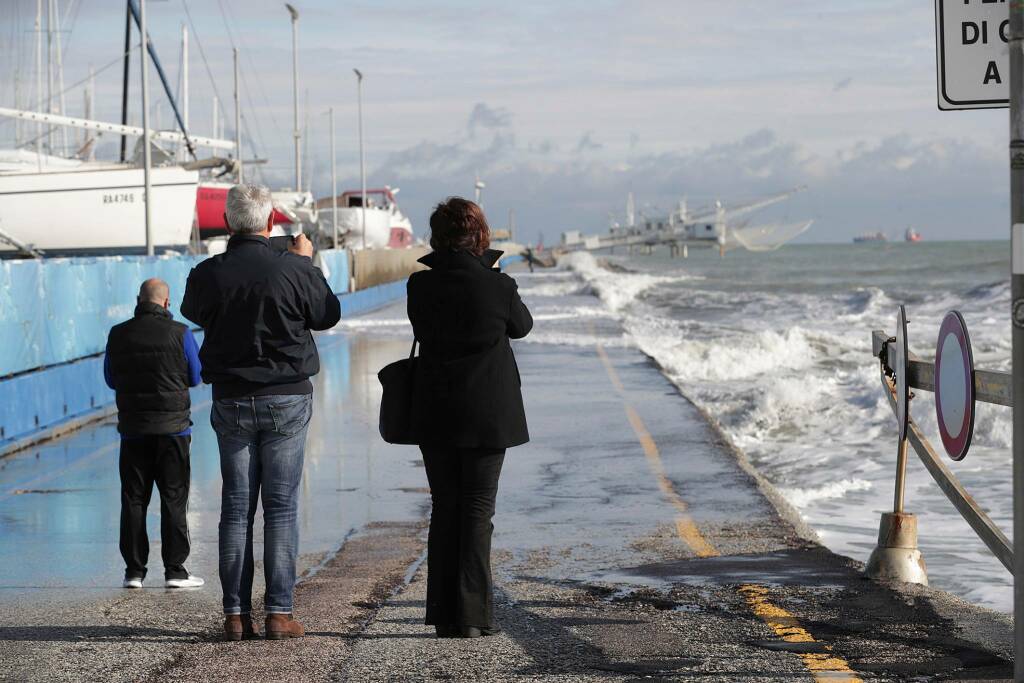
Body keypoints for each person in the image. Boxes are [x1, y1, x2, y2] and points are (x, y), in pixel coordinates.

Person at [181, 184, 341, 642]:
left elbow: (194, 310)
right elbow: (327, 314)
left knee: (235, 509)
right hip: (286, 397)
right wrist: (306, 264)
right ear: (271, 222)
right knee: (281, 508)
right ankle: (278, 613)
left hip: (231, 398)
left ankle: (235, 616)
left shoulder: (208, 272)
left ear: (229, 223)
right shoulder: (293, 267)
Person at [406, 197, 533, 638]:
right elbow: (522, 326)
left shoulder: (419, 286)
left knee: (445, 508)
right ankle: (474, 617)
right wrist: (491, 274)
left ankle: (443, 615)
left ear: (437, 238)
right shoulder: (499, 286)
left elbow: (423, 329)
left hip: (436, 410)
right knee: (478, 513)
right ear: (480, 237)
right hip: (487, 413)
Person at [104, 278, 204, 590]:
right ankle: (175, 570)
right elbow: (196, 376)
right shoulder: (181, 333)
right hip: (174, 431)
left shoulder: (118, 334)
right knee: (174, 498)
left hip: (133, 432)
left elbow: (110, 379)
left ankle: (134, 571)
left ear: (139, 300)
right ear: (166, 303)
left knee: (134, 499)